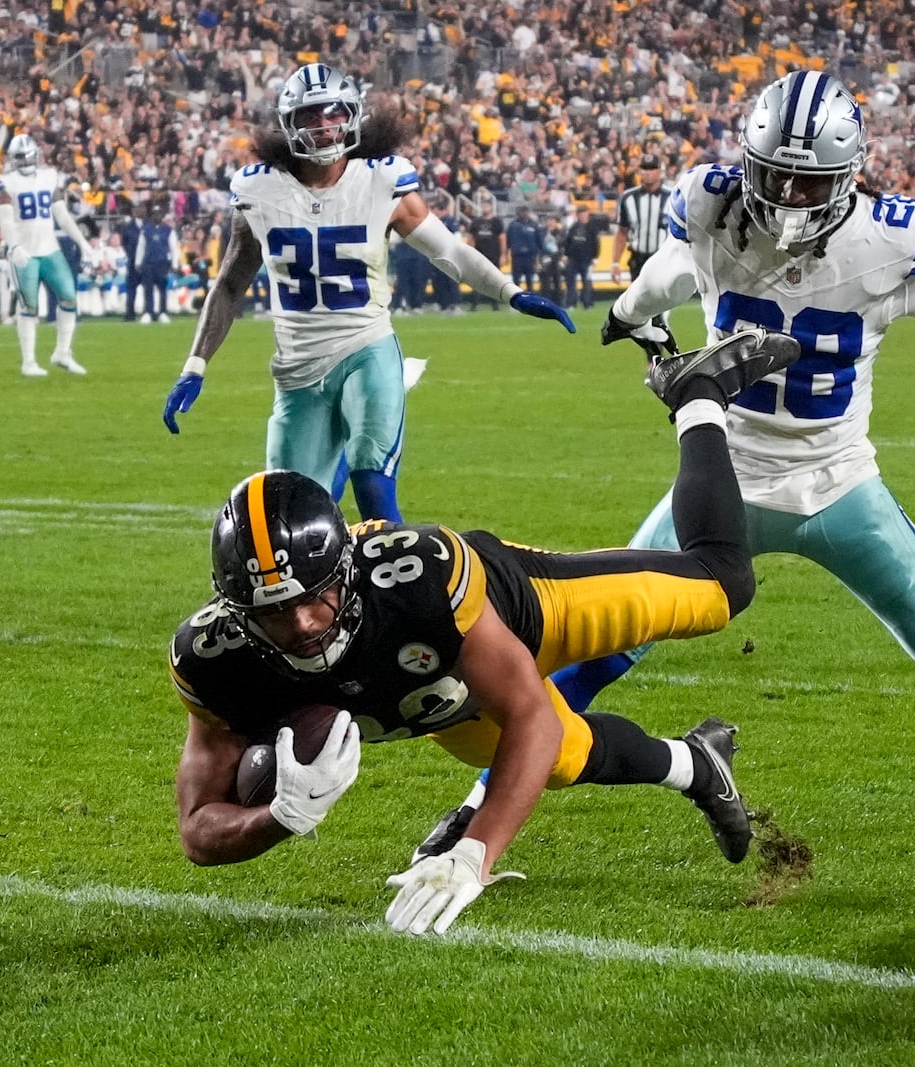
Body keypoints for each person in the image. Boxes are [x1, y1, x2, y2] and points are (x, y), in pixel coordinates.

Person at [540, 72, 915, 755]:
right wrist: (631, 314)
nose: (785, 199)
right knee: (606, 647)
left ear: (849, 175)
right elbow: (670, 270)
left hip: (838, 483)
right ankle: (476, 822)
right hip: (727, 482)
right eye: (774, 177)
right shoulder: (713, 208)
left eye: (807, 184)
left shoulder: (888, 241)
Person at [170, 328, 800, 936]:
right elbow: (198, 829)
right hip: (438, 697)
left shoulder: (414, 580)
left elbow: (530, 713)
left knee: (721, 588)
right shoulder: (215, 659)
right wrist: (279, 818)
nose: (303, 623)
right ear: (237, 610)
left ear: (345, 571)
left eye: (314, 598)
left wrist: (474, 854)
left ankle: (697, 397)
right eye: (274, 612)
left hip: (519, 611)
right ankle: (697, 762)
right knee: (563, 759)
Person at [161, 64, 573, 524]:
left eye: (333, 114)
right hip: (296, 369)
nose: (323, 126)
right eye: (310, 117)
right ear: (289, 125)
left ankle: (396, 594)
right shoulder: (259, 190)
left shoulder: (382, 181)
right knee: (291, 514)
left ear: (352, 116)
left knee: (374, 491)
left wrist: (510, 292)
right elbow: (230, 284)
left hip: (366, 348)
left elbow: (449, 251)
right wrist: (194, 366)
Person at [0, 133, 95, 376]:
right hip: (24, 252)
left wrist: (82, 242)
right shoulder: (5, 182)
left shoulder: (49, 176)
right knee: (29, 306)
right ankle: (28, 362)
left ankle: (62, 352)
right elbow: (5, 218)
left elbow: (61, 214)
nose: (27, 161)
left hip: (50, 248)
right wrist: (14, 246)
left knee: (69, 298)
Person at [611, 154, 670, 284]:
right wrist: (615, 263)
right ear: (639, 172)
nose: (648, 173)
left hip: (662, 259)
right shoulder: (628, 198)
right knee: (637, 302)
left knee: (661, 301)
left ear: (660, 172)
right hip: (637, 259)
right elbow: (622, 232)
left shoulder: (672, 197)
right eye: (645, 169)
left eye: (652, 168)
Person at [464, 199, 506, 310]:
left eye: (487, 206)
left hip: (494, 255)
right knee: (477, 280)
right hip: (479, 256)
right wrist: (470, 253)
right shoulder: (476, 222)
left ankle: (495, 305)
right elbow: (471, 238)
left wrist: (503, 255)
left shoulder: (496, 222)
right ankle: (474, 304)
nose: (485, 208)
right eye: (483, 206)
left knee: (494, 280)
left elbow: (502, 238)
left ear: (491, 207)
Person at [136, 210, 178, 323]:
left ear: (162, 216)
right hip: (148, 263)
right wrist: (138, 262)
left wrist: (175, 264)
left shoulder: (168, 230)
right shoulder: (145, 230)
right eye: (154, 214)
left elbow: (174, 248)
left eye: (159, 214)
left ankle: (163, 312)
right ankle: (148, 312)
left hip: (162, 263)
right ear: (151, 216)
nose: (157, 216)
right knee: (148, 289)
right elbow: (141, 247)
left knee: (162, 289)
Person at [562, 204, 602, 308]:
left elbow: (596, 243)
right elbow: (567, 242)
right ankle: (571, 303)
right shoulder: (574, 227)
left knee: (587, 282)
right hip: (573, 259)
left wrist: (595, 257)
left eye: (584, 214)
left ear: (587, 214)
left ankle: (587, 304)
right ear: (577, 215)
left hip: (587, 259)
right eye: (580, 214)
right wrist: (565, 255)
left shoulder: (592, 227)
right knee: (570, 282)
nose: (582, 216)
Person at [504, 204, 542, 293]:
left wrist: (538, 256)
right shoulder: (513, 225)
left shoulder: (534, 224)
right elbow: (508, 241)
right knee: (516, 281)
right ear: (518, 213)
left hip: (530, 256)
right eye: (522, 211)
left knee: (530, 280)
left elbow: (539, 241)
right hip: (517, 256)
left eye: (526, 211)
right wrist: (506, 254)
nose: (524, 213)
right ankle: (515, 301)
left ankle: (530, 301)